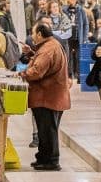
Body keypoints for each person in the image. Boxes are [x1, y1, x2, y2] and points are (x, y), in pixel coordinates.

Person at [21, 23, 70, 171]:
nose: (32, 36)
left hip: (48, 96)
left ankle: (52, 161)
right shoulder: (50, 45)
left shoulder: (48, 49)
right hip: (49, 95)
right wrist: (31, 53)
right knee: (44, 130)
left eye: (33, 33)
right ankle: (43, 158)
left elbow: (37, 71)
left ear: (40, 34)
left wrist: (21, 74)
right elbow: (43, 62)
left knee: (48, 130)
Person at [62, 0, 90, 81]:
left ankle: (79, 76)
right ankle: (69, 75)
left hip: (78, 37)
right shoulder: (64, 10)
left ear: (75, 0)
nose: (68, 0)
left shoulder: (81, 10)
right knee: (68, 57)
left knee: (79, 57)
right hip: (67, 37)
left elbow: (86, 24)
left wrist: (85, 38)